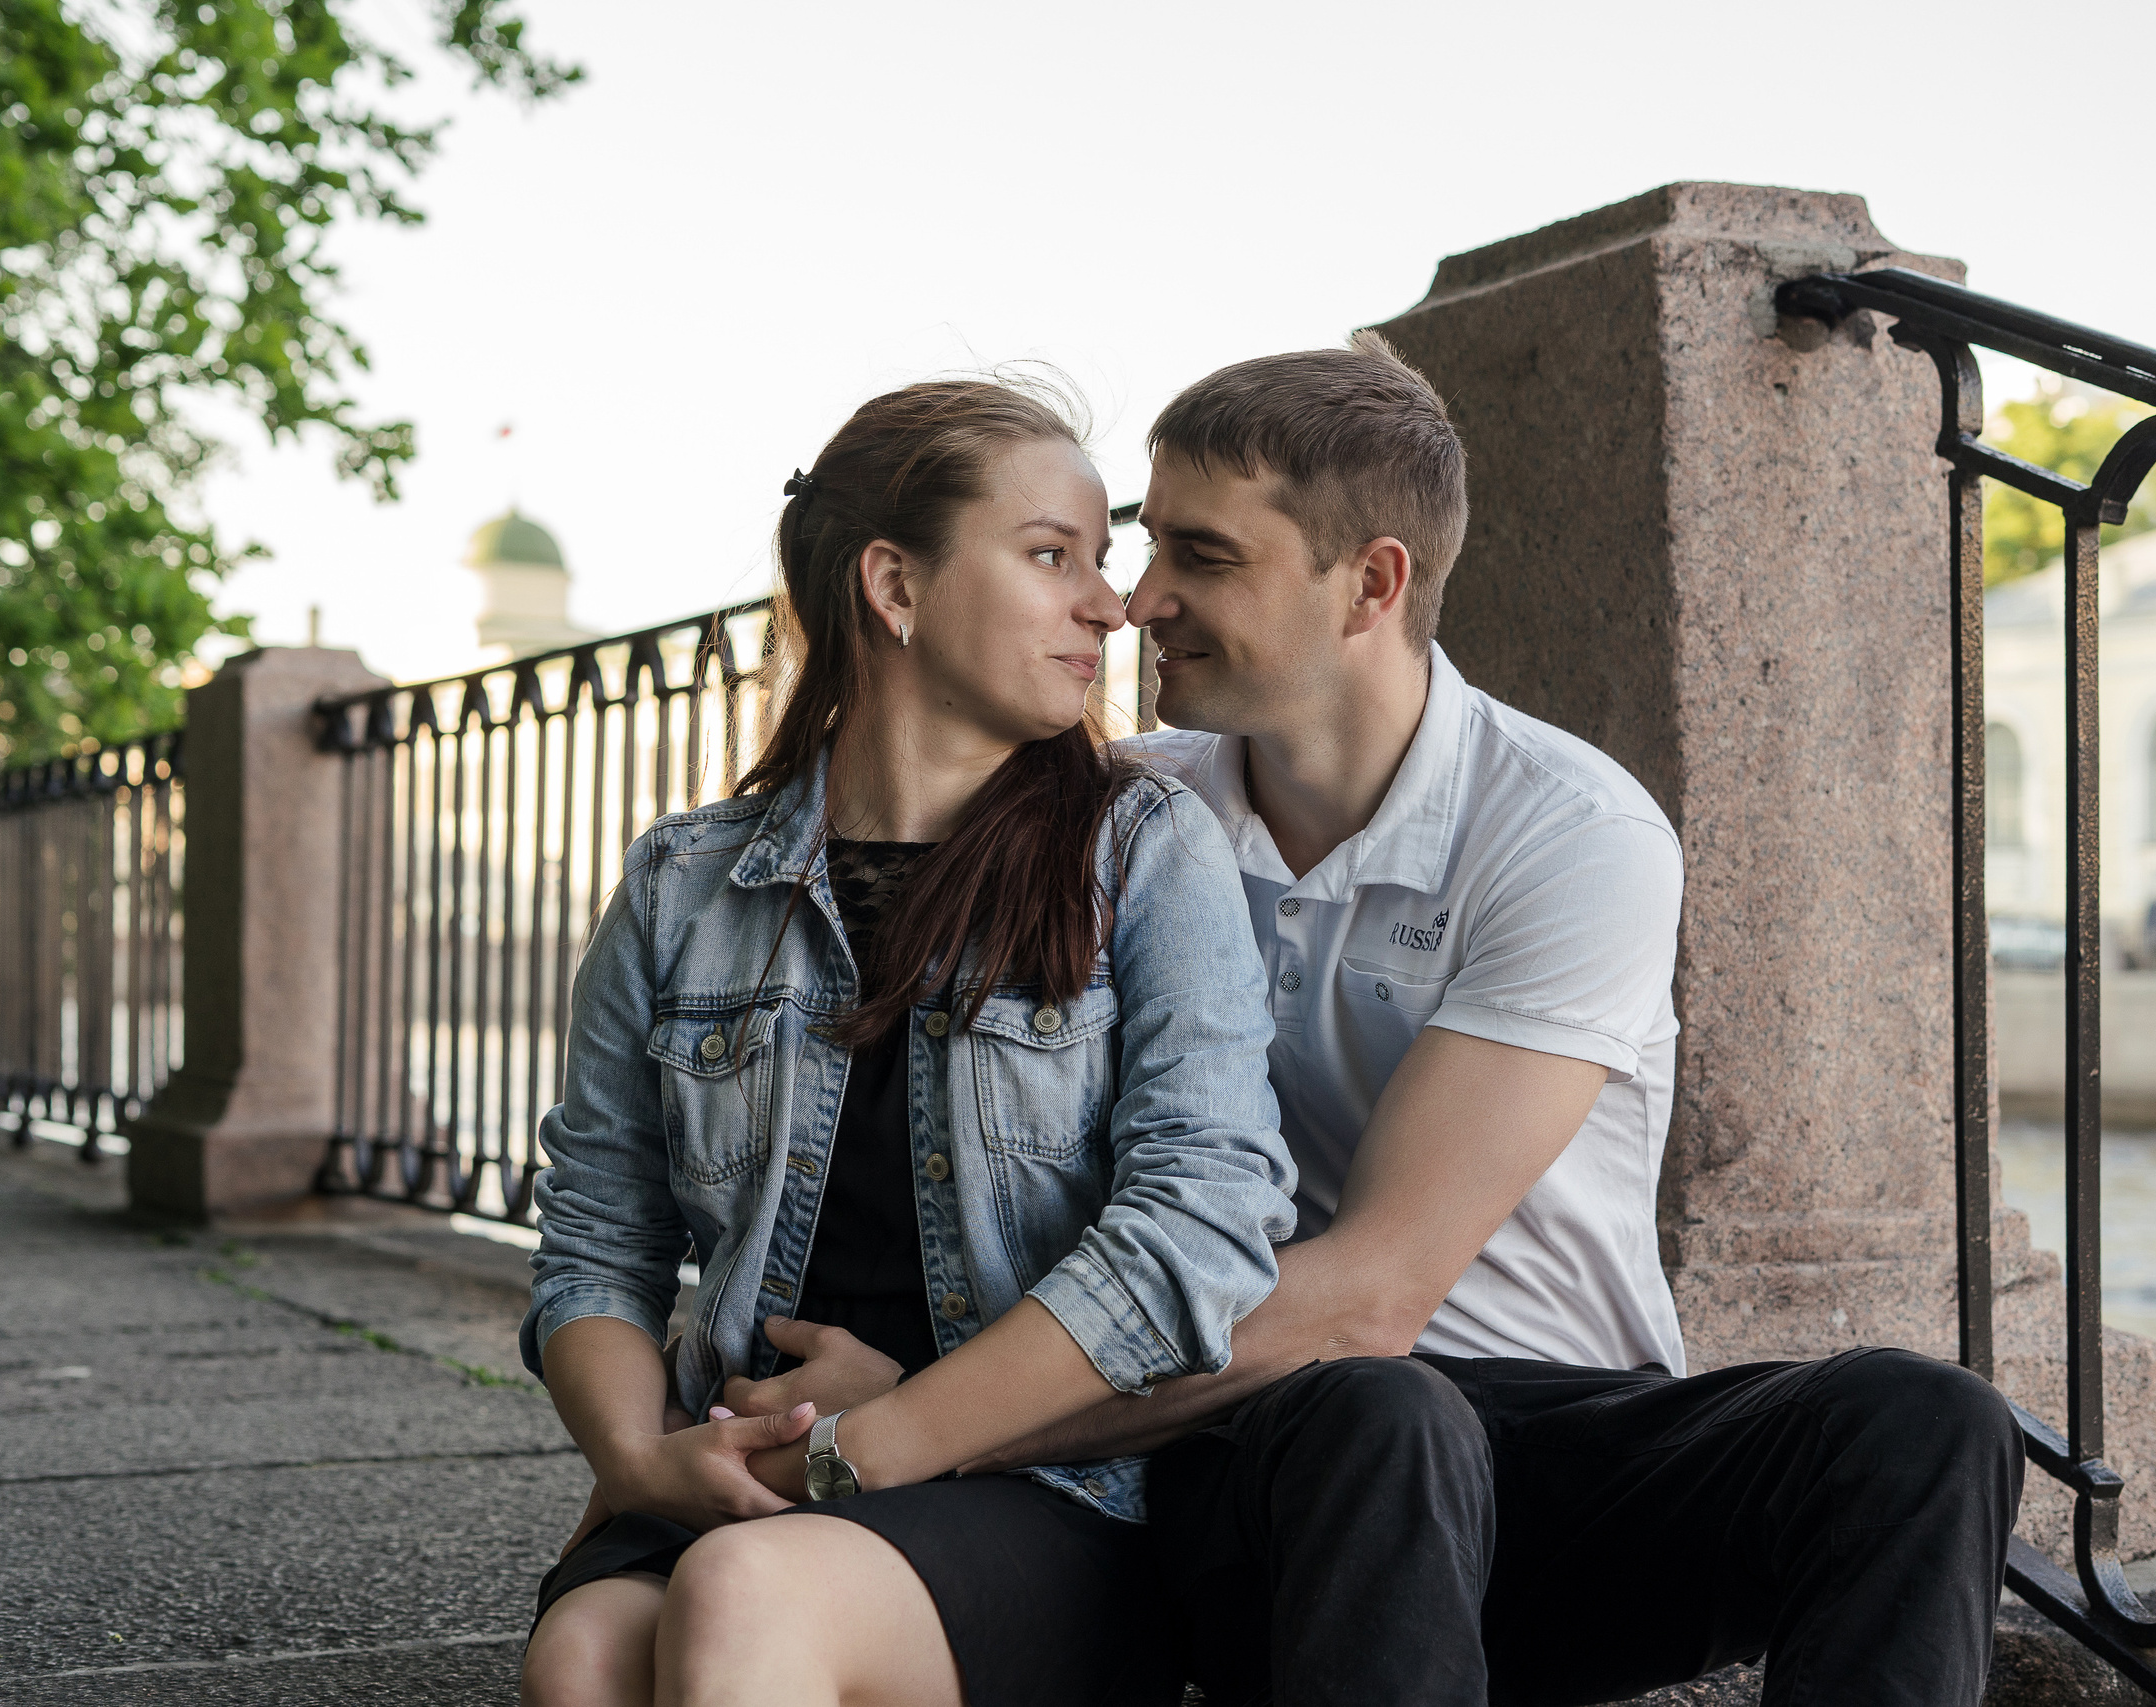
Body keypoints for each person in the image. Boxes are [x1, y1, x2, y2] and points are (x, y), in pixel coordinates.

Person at [744, 336, 2025, 1706]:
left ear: (1372, 583)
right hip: (1253, 1469)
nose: (1136, 599)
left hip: (1548, 1456)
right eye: (1141, 544)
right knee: (1380, 1411)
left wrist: (933, 1426)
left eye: (1202, 555)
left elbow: (1375, 1292)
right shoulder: (1114, 821)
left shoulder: (1566, 830)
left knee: (1929, 1419)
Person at [515, 377, 1297, 1707]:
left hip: (1038, 1483)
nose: (1109, 605)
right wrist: (642, 1463)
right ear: (896, 586)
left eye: (1098, 563)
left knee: (741, 1597)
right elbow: (600, 1236)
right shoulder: (682, 883)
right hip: (742, 1450)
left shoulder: (1143, 853)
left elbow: (1201, 1225)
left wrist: (866, 1446)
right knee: (585, 1658)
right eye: (1055, 556)